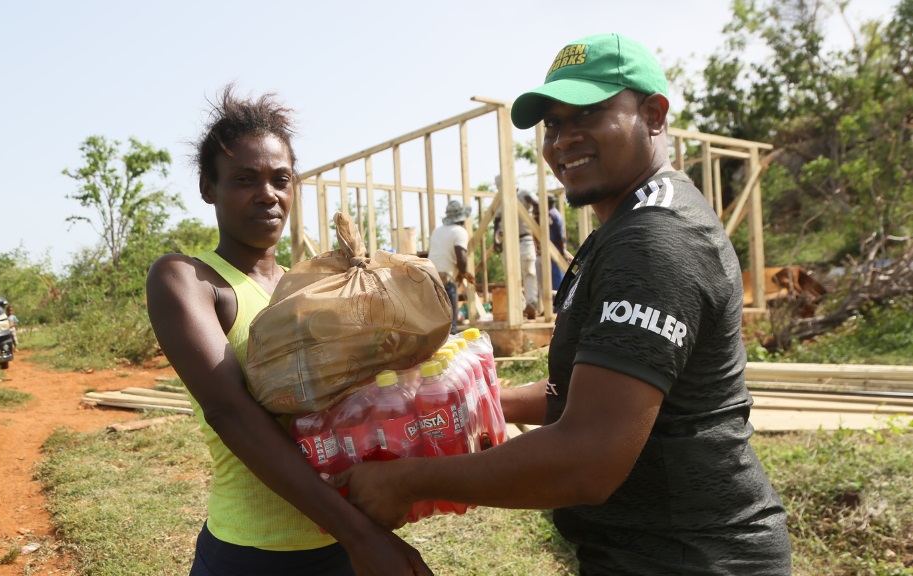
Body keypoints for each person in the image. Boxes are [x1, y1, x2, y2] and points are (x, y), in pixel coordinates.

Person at [336, 33, 791, 575]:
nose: (563, 140)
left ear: (654, 114)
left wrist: (405, 483)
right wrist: (466, 400)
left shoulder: (653, 243)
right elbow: (582, 393)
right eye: (553, 125)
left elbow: (587, 460)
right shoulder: (626, 227)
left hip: (693, 559)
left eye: (589, 114)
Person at [146, 85, 431, 576]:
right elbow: (230, 412)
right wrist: (360, 535)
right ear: (208, 188)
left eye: (281, 179)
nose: (268, 194)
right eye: (244, 179)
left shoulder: (309, 289)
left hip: (342, 539)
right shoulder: (187, 280)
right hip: (255, 553)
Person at [492, 181, 541, 319]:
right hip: (508, 243)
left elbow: (537, 204)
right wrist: (496, 239)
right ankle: (519, 307)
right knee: (511, 276)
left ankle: (532, 305)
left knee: (529, 272)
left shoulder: (524, 194)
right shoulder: (500, 199)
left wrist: (539, 223)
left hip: (525, 240)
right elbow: (497, 221)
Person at [427, 200, 476, 334]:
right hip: (445, 280)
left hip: (428, 278)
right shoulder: (460, 232)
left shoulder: (437, 231)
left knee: (435, 324)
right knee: (450, 326)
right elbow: (461, 255)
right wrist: (464, 272)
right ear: (462, 218)